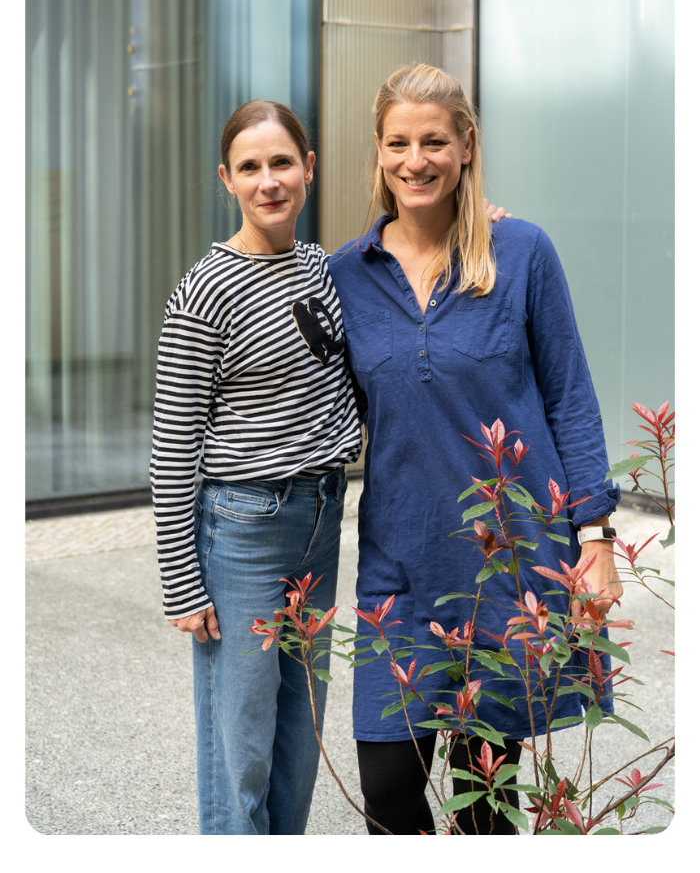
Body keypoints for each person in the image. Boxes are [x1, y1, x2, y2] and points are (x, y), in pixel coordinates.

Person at [150, 94, 510, 836]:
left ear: (308, 169)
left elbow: (394, 301)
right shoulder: (203, 292)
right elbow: (172, 445)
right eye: (250, 167)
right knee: (240, 743)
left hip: (318, 523)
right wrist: (181, 582)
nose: (268, 181)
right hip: (243, 528)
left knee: (299, 735)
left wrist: (474, 222)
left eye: (281, 162)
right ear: (227, 179)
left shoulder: (325, 269)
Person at [328, 63, 623, 837]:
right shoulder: (344, 276)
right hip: (399, 558)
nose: (414, 160)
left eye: (434, 141)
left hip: (505, 563)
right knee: (389, 784)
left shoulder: (522, 252)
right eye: (398, 142)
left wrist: (595, 536)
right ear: (379, 151)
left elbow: (569, 396)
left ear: (465, 147)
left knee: (486, 792)